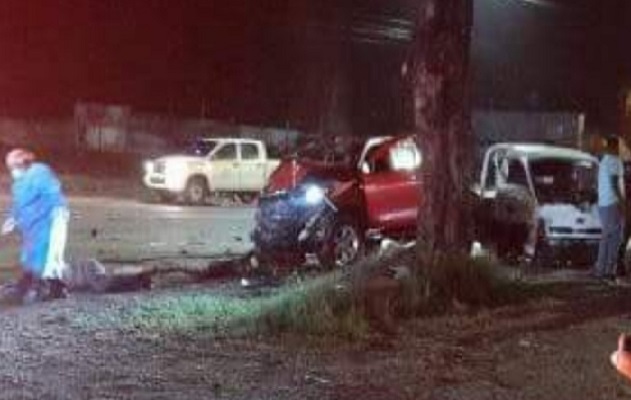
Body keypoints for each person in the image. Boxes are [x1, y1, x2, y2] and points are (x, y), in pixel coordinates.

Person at [1, 149, 70, 303]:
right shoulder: (18, 185)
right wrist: (12, 219)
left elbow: (52, 193)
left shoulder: (40, 172)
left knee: (50, 255)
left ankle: (53, 288)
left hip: (49, 219)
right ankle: (31, 285)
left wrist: (58, 209)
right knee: (31, 255)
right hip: (33, 225)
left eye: (14, 166)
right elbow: (19, 205)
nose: (13, 170)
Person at [595, 136, 625, 283]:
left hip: (603, 203)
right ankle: (609, 271)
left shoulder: (604, 161)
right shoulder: (614, 161)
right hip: (612, 203)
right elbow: (614, 183)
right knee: (615, 238)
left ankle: (601, 269)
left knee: (606, 237)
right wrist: (623, 202)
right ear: (615, 146)